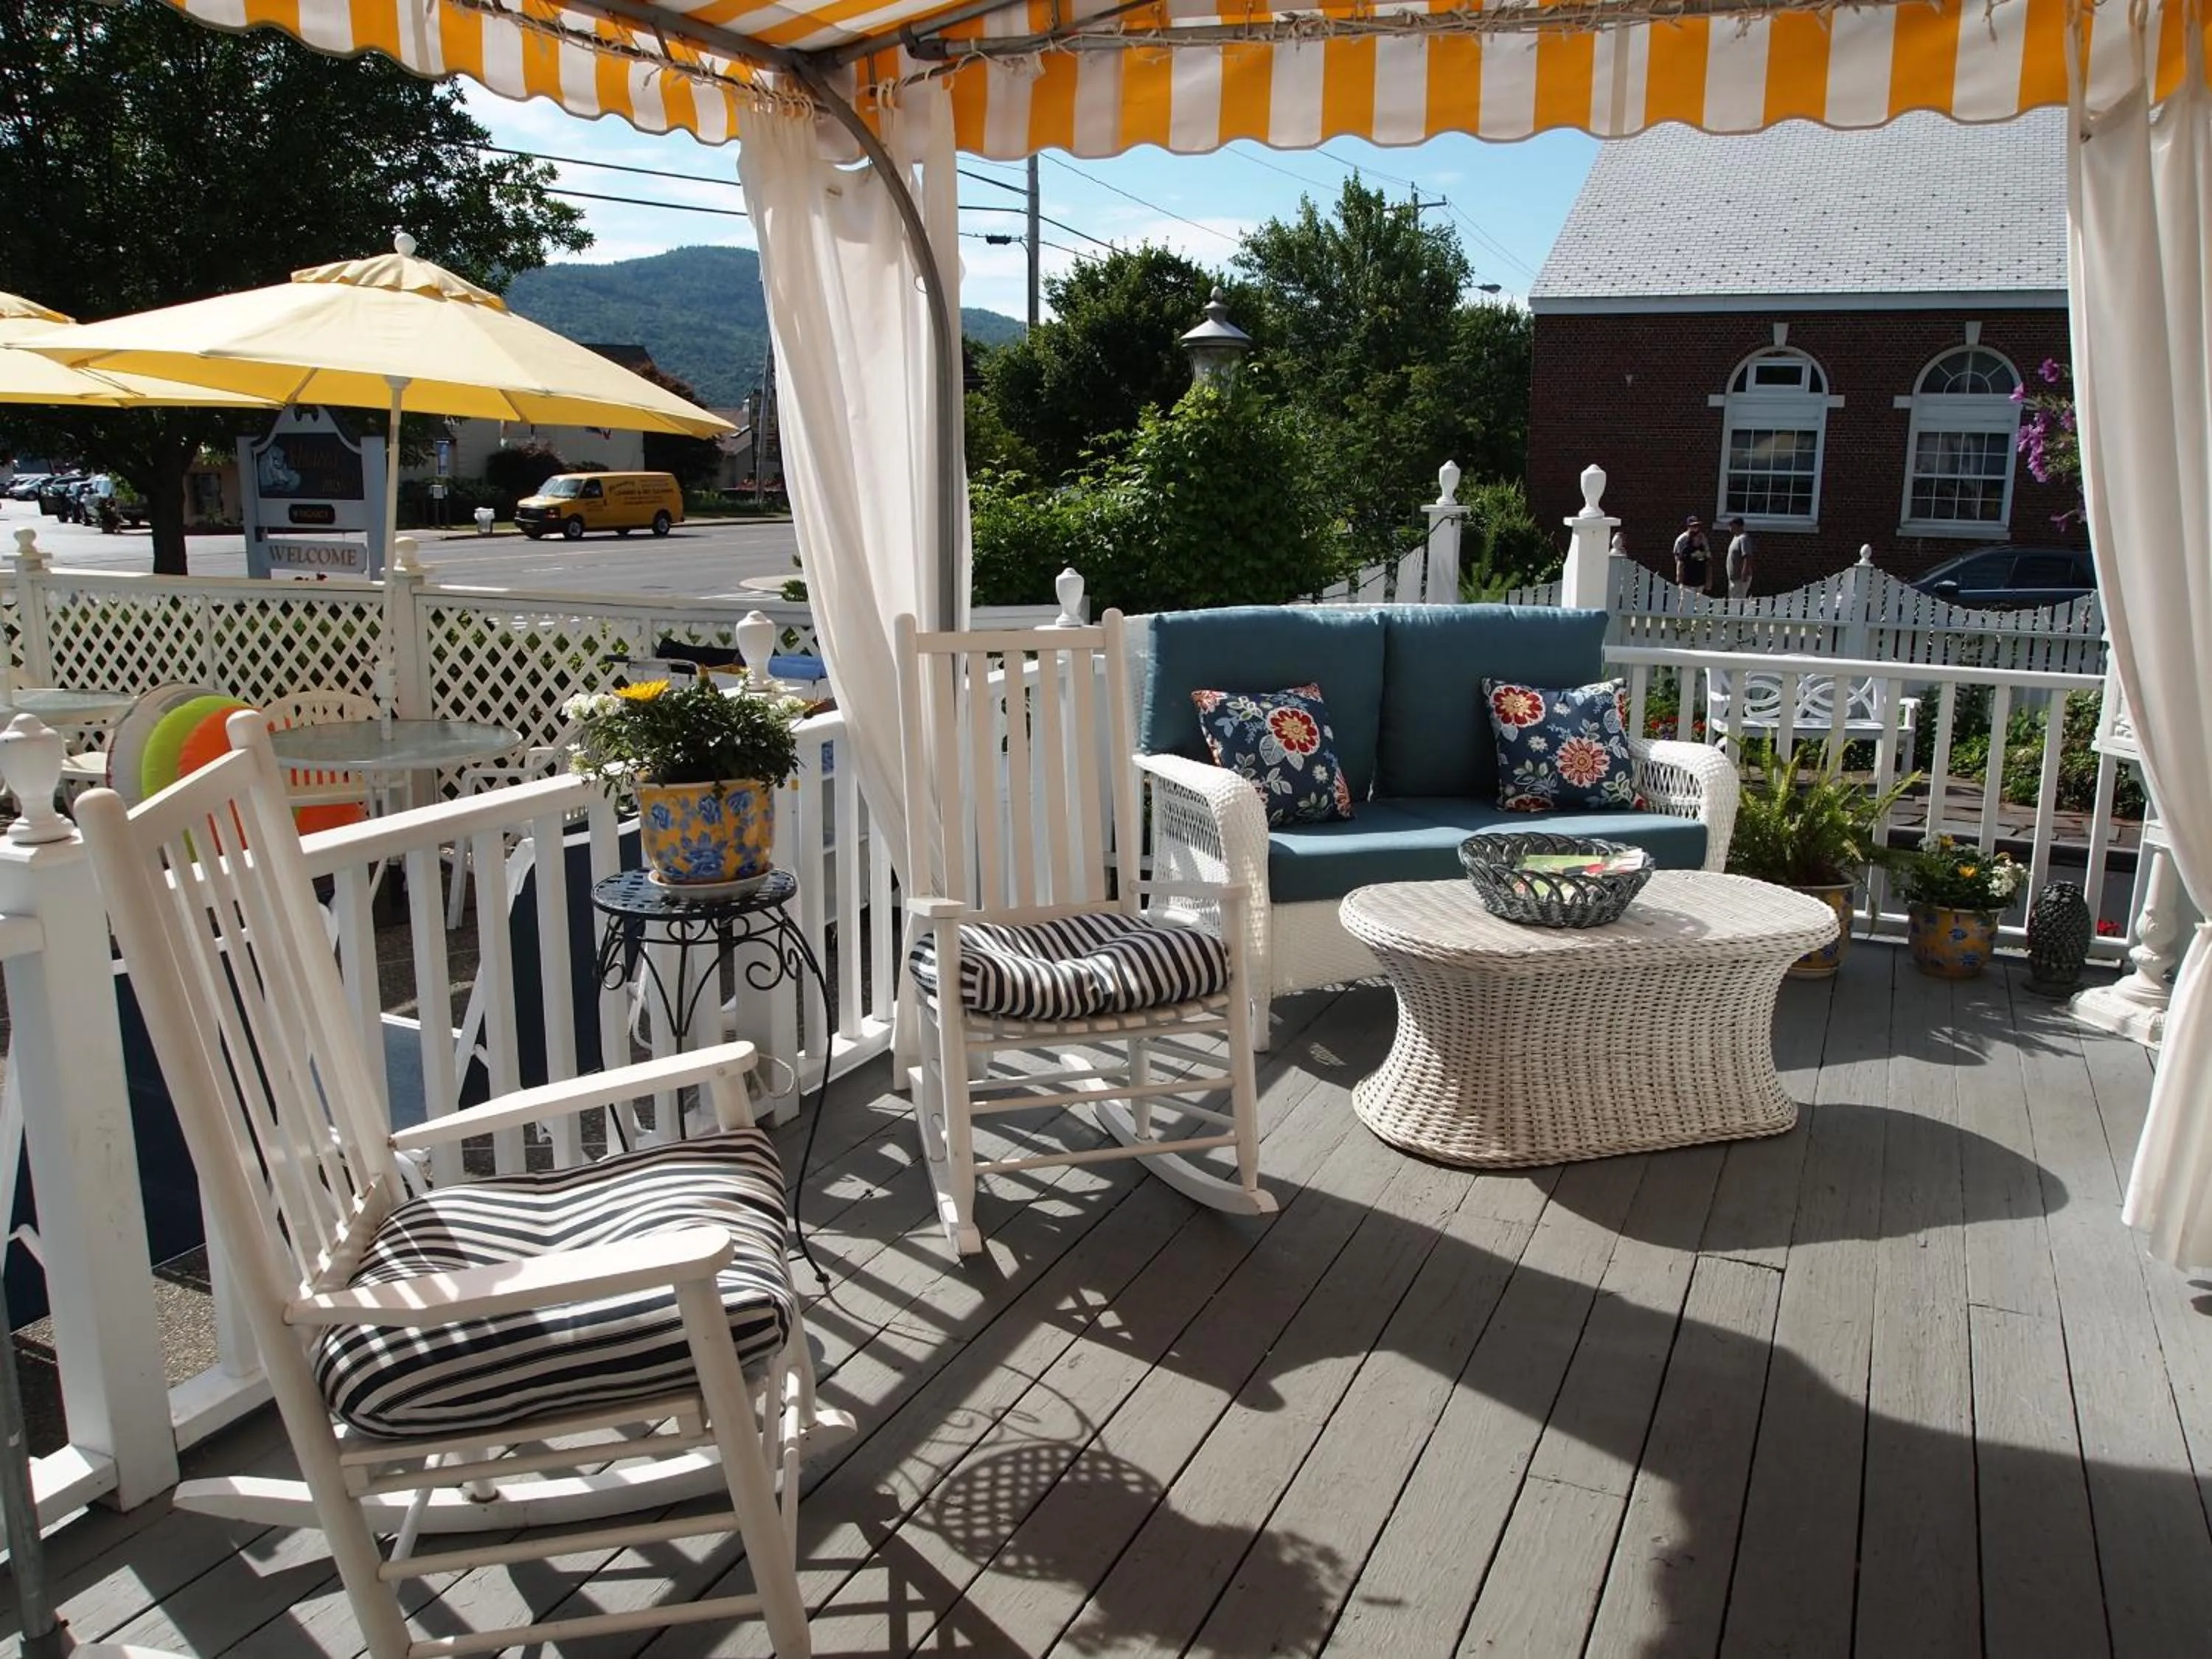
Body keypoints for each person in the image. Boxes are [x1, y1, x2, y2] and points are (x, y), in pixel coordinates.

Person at [1672, 515, 1710, 602]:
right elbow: (1678, 559)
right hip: (1687, 578)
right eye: (1693, 526)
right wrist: (1680, 576)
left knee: (1698, 603)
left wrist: (1708, 579)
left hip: (1700, 578)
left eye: (1697, 526)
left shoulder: (1703, 538)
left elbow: (1707, 558)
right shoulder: (1682, 539)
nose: (1696, 528)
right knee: (1685, 602)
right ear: (1688, 526)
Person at [1725, 515, 1756, 599]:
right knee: (1733, 598)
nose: (1729, 528)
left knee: (1737, 600)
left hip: (1740, 578)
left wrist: (1744, 572)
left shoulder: (1744, 538)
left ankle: (1737, 612)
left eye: (1731, 525)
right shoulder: (1736, 538)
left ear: (1736, 526)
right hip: (1734, 577)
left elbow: (1747, 556)